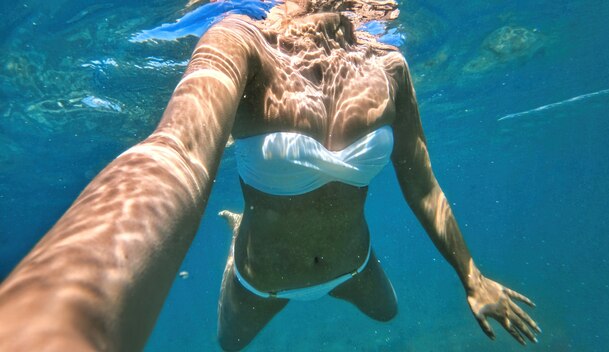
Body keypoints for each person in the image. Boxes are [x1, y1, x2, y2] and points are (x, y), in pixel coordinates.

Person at [0, 0, 540, 351]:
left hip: (356, 264)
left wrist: (471, 276)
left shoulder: (390, 69)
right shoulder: (242, 39)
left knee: (389, 313)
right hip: (259, 279)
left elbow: (421, 182)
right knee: (227, 345)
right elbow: (177, 152)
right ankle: (236, 242)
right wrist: (59, 319)